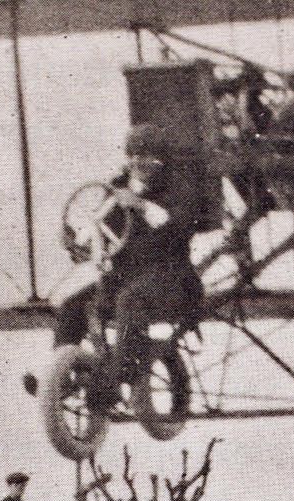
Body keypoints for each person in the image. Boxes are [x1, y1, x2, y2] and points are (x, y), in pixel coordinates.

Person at [49, 123, 208, 388]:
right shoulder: (117, 190)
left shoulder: (179, 189)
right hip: (124, 278)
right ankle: (61, 379)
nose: (137, 162)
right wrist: (75, 243)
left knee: (129, 300)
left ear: (161, 158)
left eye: (146, 155)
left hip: (172, 281)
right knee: (73, 305)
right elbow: (101, 241)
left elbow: (180, 228)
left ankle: (119, 375)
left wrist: (142, 206)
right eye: (133, 155)